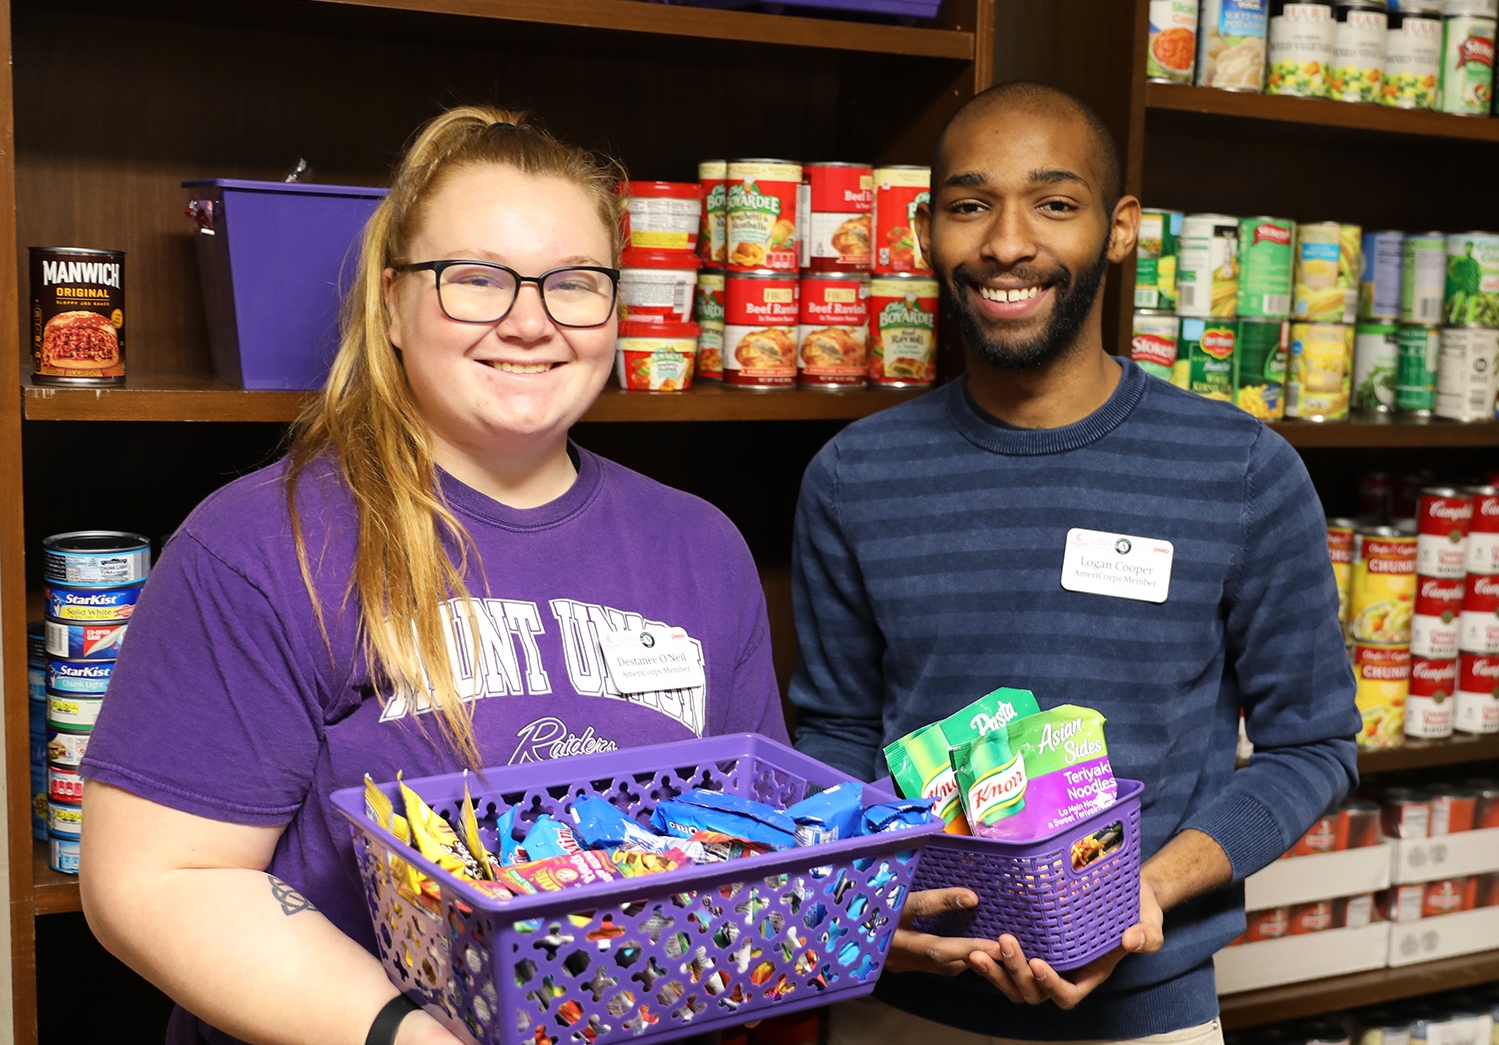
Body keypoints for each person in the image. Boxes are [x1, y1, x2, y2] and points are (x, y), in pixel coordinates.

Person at [79, 106, 787, 1045]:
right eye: (477, 280)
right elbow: (160, 879)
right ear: (389, 305)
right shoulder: (260, 543)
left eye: (574, 284)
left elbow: (750, 846)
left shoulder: (701, 545)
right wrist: (407, 1036)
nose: (529, 323)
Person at [789, 81, 1360, 1045]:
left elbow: (1315, 747)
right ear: (926, 230)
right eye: (970, 206)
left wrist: (1143, 888)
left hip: (1147, 1010)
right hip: (901, 1005)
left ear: (1121, 227)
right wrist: (871, 906)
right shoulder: (853, 475)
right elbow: (837, 731)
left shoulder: (1239, 470)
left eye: (1054, 203)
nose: (1007, 244)